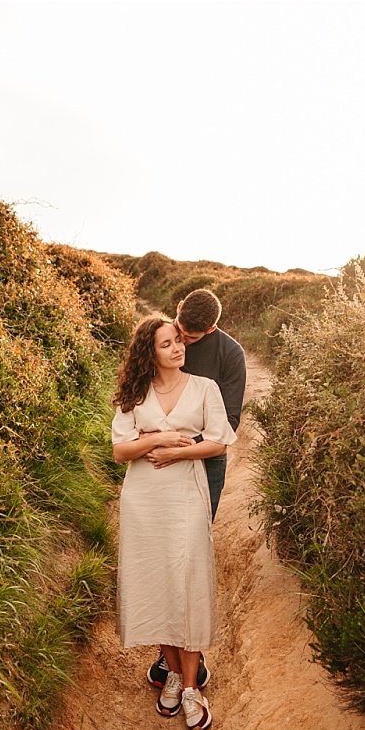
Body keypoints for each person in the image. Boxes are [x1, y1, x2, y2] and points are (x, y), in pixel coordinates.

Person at [111, 314, 236, 730]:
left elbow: (218, 441)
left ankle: (192, 689)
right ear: (151, 352)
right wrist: (160, 440)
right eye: (167, 344)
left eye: (179, 341)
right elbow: (120, 450)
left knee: (188, 580)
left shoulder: (205, 388)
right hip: (143, 500)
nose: (178, 349)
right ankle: (177, 677)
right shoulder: (135, 392)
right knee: (156, 582)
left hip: (185, 494)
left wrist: (179, 454)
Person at [145, 289, 247, 690]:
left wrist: (181, 446)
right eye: (178, 329)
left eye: (189, 336)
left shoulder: (230, 355)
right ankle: (170, 651)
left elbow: (231, 422)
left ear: (212, 328)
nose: (181, 342)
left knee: (189, 551)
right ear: (178, 310)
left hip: (206, 462)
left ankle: (190, 653)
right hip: (157, 460)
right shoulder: (166, 336)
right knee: (162, 550)